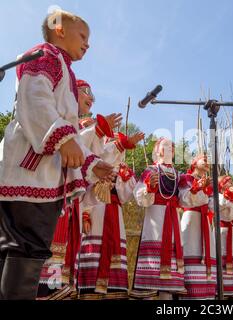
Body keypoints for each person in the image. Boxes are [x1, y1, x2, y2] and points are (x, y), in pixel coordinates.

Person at [0, 10, 113, 300]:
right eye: (83, 35)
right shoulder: (45, 55)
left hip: (40, 176)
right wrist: (61, 138)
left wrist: (91, 164)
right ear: (60, 29)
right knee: (25, 246)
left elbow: (71, 134)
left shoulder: (63, 66)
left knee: (20, 248)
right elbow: (34, 99)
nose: (88, 43)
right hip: (30, 173)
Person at [37, 79, 121, 300]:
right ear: (71, 91)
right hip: (50, 190)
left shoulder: (73, 126)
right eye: (86, 92)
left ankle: (56, 287)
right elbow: (77, 145)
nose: (92, 98)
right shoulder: (58, 118)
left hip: (68, 194)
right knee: (48, 249)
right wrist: (98, 130)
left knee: (63, 252)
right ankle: (46, 289)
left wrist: (98, 166)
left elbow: (84, 151)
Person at [76, 132, 144, 300]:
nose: (117, 146)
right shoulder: (96, 161)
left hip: (115, 211)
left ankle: (113, 290)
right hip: (96, 208)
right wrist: (85, 215)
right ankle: (88, 289)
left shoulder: (122, 169)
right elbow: (85, 191)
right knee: (92, 244)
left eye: (118, 143)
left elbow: (124, 197)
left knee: (114, 246)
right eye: (114, 141)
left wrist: (125, 179)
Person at [130, 138, 187, 300]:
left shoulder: (178, 175)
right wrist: (149, 188)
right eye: (165, 145)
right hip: (155, 217)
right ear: (157, 150)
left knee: (169, 274)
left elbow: (185, 200)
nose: (170, 147)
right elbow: (139, 196)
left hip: (173, 218)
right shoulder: (150, 170)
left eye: (172, 146)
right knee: (153, 266)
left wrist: (196, 190)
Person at [180, 155, 216, 300]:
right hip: (191, 220)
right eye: (204, 159)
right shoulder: (186, 178)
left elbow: (212, 205)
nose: (207, 162)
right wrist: (197, 188)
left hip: (205, 221)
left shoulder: (209, 183)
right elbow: (183, 199)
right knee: (191, 251)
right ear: (194, 163)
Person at [218, 176, 233, 298]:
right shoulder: (218, 196)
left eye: (232, 183)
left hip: (231, 232)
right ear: (221, 185)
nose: (231, 185)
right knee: (222, 257)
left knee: (232, 257)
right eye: (228, 183)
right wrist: (227, 195)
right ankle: (222, 290)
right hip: (221, 232)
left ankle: (232, 290)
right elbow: (219, 208)